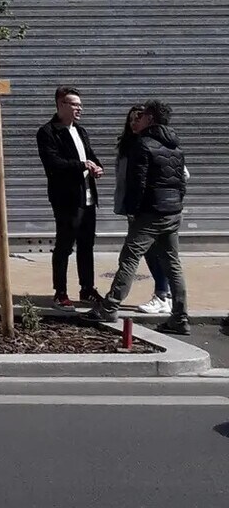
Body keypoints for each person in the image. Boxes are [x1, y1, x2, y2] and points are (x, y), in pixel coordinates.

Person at [92, 100, 189, 336]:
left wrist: (133, 211)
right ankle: (180, 316)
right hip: (172, 212)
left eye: (143, 115)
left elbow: (139, 183)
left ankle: (110, 305)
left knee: (129, 257)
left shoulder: (143, 145)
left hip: (149, 213)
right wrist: (175, 204)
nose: (139, 118)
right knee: (173, 263)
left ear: (151, 118)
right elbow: (180, 182)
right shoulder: (175, 147)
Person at [35, 87, 103, 307]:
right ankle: (61, 291)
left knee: (87, 245)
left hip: (88, 197)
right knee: (65, 245)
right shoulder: (48, 132)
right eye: (74, 104)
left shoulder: (81, 131)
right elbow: (53, 164)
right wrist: (82, 165)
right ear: (61, 105)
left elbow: (91, 156)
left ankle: (87, 288)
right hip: (67, 199)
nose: (79, 109)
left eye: (80, 105)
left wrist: (98, 167)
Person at [114, 105, 176, 317]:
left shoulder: (152, 145)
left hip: (148, 211)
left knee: (142, 256)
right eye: (130, 118)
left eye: (137, 118)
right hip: (137, 210)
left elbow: (180, 175)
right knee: (155, 255)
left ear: (148, 120)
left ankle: (161, 296)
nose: (133, 122)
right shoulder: (129, 145)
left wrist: (145, 202)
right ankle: (168, 301)